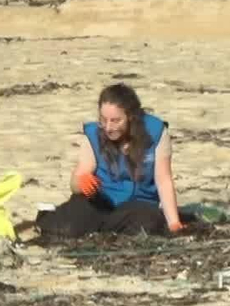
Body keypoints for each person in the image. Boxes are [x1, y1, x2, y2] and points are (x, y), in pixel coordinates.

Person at [36, 84, 184, 237]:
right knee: (65, 229)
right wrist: (81, 182)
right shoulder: (93, 134)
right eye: (103, 120)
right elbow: (77, 179)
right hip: (100, 202)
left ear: (131, 116)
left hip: (139, 204)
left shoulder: (156, 132)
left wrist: (174, 223)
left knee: (148, 226)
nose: (108, 127)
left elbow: (163, 180)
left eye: (115, 120)